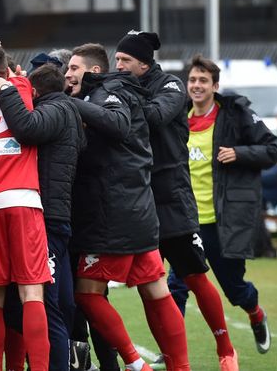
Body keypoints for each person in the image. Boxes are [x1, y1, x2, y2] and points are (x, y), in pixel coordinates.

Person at [114, 31, 239, 370]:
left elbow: (154, 116)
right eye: (116, 61)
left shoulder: (169, 86)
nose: (119, 66)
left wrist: (117, 94)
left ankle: (226, 349)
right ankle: (170, 358)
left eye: (125, 61)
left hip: (171, 194)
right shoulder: (124, 86)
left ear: (143, 62)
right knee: (148, 285)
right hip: (138, 198)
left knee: (195, 275)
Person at [64, 43, 190, 371]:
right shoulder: (100, 93)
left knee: (88, 293)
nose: (68, 74)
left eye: (74, 68)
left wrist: (67, 103)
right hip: (136, 210)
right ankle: (181, 367)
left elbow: (117, 124)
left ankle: (137, 364)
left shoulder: (110, 90)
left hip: (113, 215)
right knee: (155, 290)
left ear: (93, 71)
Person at [168, 54, 277, 357]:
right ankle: (172, 351)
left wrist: (240, 153)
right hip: (186, 221)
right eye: (192, 79)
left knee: (234, 289)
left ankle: (255, 312)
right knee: (175, 287)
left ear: (215, 86)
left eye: (203, 80)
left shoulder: (234, 114)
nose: (196, 85)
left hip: (223, 221)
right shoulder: (178, 117)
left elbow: (272, 149)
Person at [0, 59, 86, 371]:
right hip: (54, 214)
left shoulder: (53, 110)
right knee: (56, 300)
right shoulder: (67, 111)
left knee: (44, 301)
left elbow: (27, 128)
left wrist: (6, 90)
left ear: (35, 91)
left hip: (44, 216)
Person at [0, 42, 51, 371]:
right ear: (6, 70)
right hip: (23, 200)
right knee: (32, 294)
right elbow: (19, 75)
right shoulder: (19, 86)